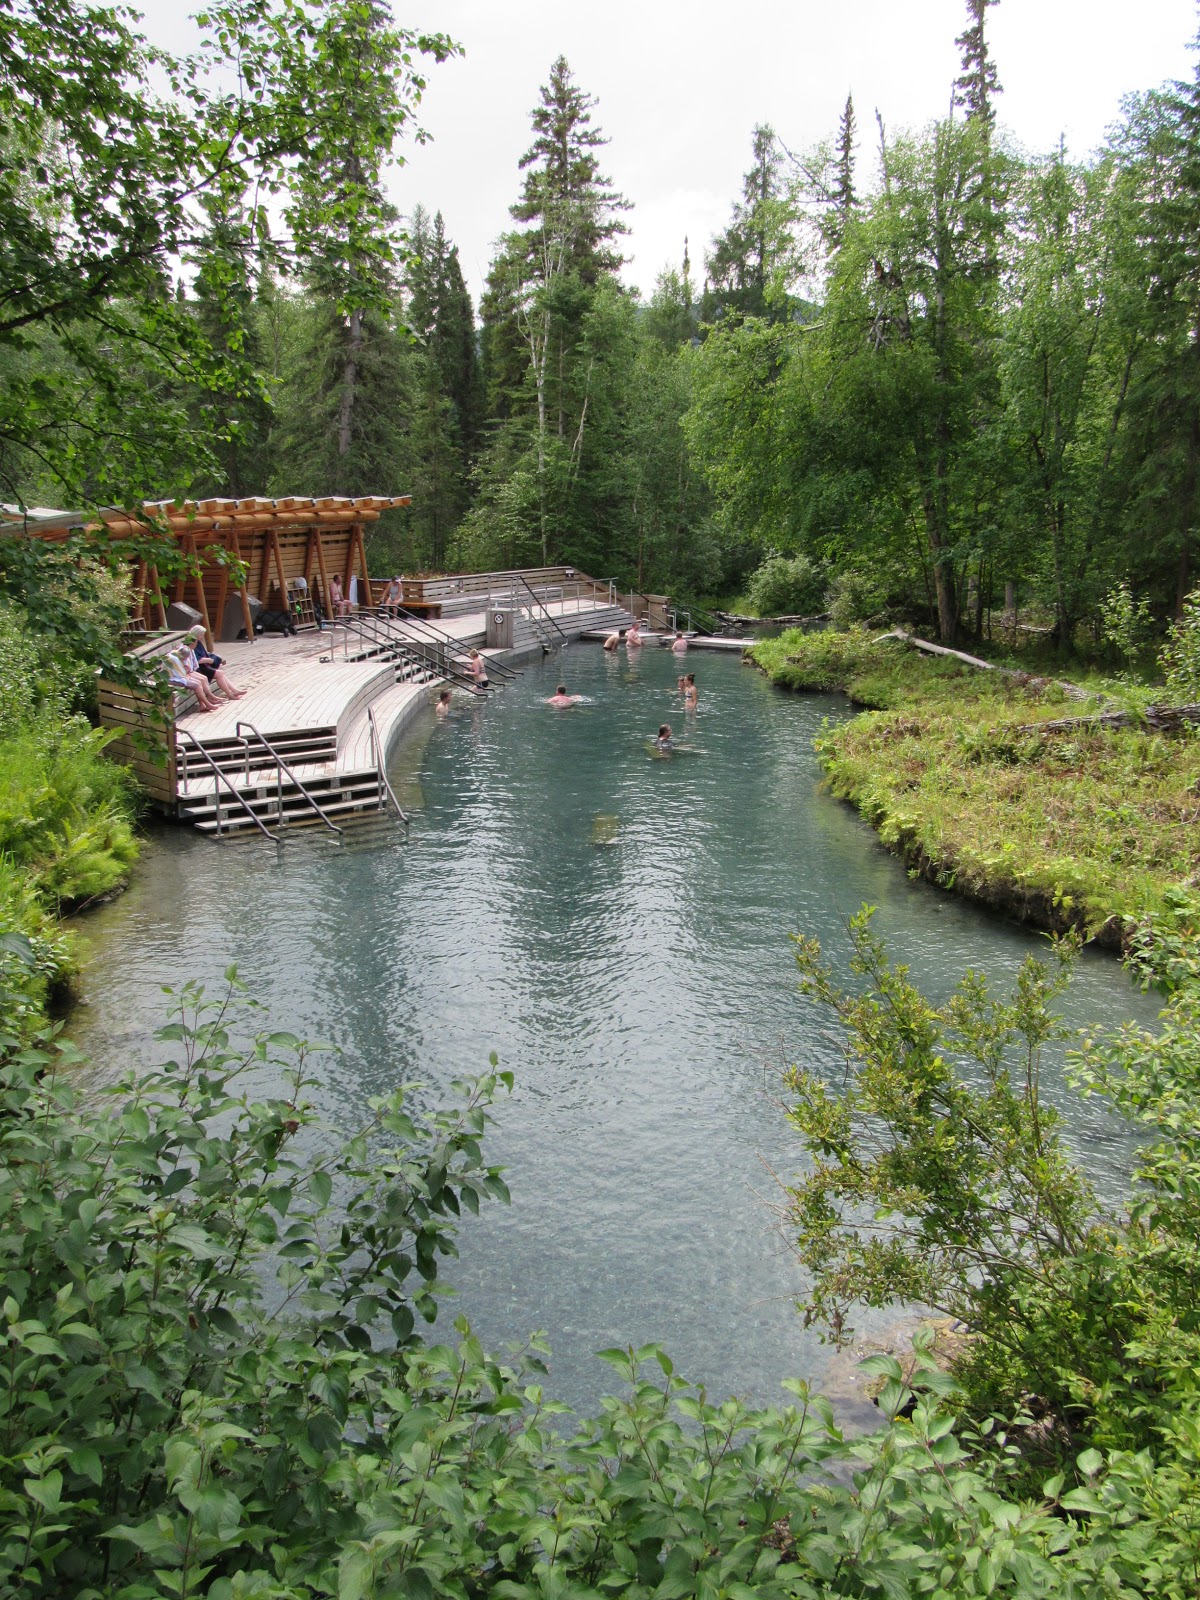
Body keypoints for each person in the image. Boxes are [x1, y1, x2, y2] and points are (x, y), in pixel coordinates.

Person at [186, 632, 245, 699]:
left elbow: (203, 654)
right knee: (219, 673)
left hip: (201, 666)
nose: (203, 636)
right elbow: (196, 660)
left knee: (220, 671)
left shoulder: (197, 643)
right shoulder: (191, 647)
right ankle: (229, 694)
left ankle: (234, 691)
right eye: (201, 635)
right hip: (199, 668)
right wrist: (208, 660)